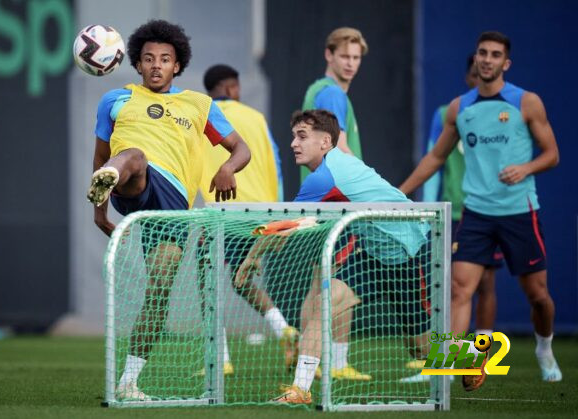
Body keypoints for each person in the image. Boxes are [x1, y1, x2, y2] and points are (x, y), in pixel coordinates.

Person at [86, 20, 251, 401]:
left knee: (159, 289)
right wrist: (100, 213)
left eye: (165, 59)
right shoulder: (115, 99)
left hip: (174, 206)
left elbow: (240, 148)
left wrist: (227, 167)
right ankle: (121, 171)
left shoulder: (198, 104)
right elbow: (99, 158)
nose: (156, 65)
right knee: (134, 157)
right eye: (148, 59)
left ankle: (128, 382)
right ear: (137, 65)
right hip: (134, 184)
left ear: (178, 66)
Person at [400, 31, 562, 391]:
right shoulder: (460, 108)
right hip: (476, 214)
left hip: (520, 212)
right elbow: (436, 156)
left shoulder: (526, 103)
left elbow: (553, 155)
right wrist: (400, 191)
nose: (486, 59)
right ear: (475, 59)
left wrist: (526, 168)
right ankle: (450, 371)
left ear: (506, 63)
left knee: (539, 297)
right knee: (459, 290)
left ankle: (544, 349)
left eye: (494, 55)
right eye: (481, 53)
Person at [236, 110, 431, 404]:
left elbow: (284, 227)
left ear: (326, 142)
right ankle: (300, 390)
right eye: (293, 136)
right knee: (322, 304)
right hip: (369, 254)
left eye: (302, 136)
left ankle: (473, 354)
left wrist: (249, 261)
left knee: (419, 348)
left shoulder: (325, 178)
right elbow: (294, 225)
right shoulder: (329, 169)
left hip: (409, 251)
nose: (293, 143)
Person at [401, 55, 502, 382]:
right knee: (447, 288)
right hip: (454, 214)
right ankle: (444, 361)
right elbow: (434, 162)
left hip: (490, 212)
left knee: (486, 284)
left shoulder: (506, 116)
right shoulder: (448, 114)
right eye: (474, 72)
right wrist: (428, 210)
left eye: (484, 72)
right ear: (468, 76)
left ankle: (483, 353)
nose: (479, 78)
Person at [197, 64, 297, 375]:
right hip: (257, 213)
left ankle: (221, 358)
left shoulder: (201, 116)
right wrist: (277, 217)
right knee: (243, 282)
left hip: (220, 211)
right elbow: (275, 164)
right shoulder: (256, 118)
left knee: (206, 283)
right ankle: (285, 330)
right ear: (231, 88)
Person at [300, 27, 368, 183]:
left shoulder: (317, 89)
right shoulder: (332, 93)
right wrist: (370, 186)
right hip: (334, 201)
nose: (350, 63)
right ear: (328, 55)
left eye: (356, 57)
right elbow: (339, 150)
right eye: (345, 56)